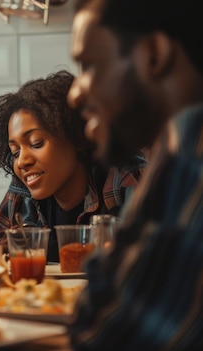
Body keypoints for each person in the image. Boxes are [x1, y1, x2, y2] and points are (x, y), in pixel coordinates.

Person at [66, 0, 203, 348]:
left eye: (88, 65)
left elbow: (108, 330)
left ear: (155, 54)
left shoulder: (191, 141)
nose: (74, 93)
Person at [0, 70, 144, 262]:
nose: (22, 161)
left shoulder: (124, 177)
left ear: (78, 138)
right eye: (15, 152)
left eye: (36, 143)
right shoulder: (22, 189)